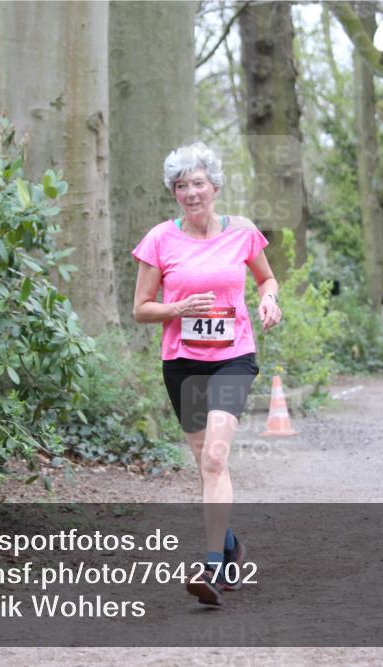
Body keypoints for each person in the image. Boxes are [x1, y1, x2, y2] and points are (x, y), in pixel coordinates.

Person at [131, 142, 281, 607]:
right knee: (204, 462)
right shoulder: (159, 239)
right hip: (183, 362)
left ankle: (213, 566)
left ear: (214, 187)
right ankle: (231, 543)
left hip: (233, 357)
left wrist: (269, 299)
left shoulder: (243, 232)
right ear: (174, 193)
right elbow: (140, 309)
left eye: (198, 183)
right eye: (181, 186)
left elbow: (266, 278)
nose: (191, 192)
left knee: (214, 459)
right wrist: (176, 307)